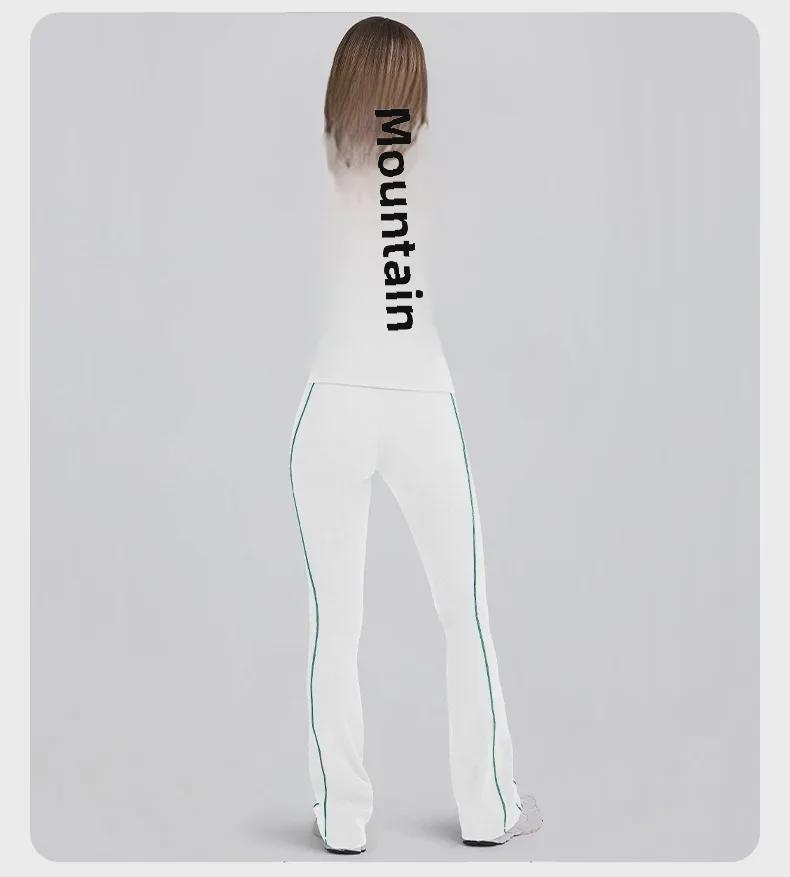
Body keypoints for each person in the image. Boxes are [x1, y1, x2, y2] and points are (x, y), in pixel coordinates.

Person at [289, 15, 542, 854]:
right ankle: (489, 809)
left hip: (331, 402)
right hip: (421, 399)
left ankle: (342, 817)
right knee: (464, 612)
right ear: (416, 84)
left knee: (334, 624)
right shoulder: (442, 163)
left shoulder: (316, 161)